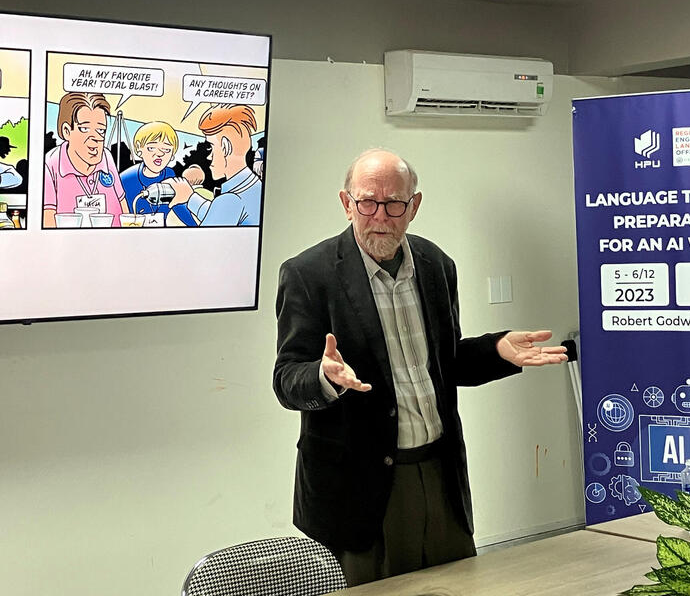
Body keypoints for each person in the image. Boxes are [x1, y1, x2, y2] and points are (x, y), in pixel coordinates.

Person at [273, 149, 567, 586]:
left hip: (438, 473)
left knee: (455, 587)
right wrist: (323, 375)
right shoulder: (308, 274)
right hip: (359, 488)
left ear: (414, 205)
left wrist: (497, 350)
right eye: (367, 202)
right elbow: (286, 378)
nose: (381, 216)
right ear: (345, 202)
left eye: (395, 204)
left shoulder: (436, 266)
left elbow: (441, 365)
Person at [165, 104, 261, 226]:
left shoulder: (231, 200)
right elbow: (220, 213)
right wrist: (190, 197)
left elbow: (203, 241)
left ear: (226, 147)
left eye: (211, 147)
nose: (209, 156)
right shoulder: (255, 186)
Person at [43, 92, 129, 228]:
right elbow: (48, 222)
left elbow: (124, 208)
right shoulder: (51, 164)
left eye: (101, 130)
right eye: (84, 128)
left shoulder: (106, 157)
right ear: (67, 131)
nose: (95, 138)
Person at [119, 121, 194, 226]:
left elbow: (178, 204)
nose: (159, 154)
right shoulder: (125, 179)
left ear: (173, 155)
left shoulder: (169, 175)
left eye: (166, 150)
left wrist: (195, 227)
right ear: (138, 149)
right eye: (151, 148)